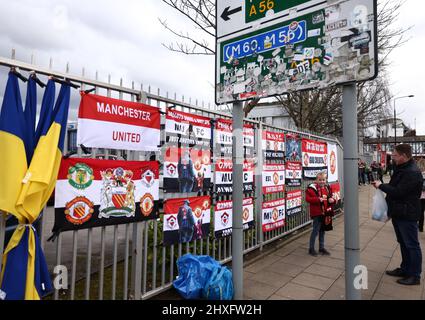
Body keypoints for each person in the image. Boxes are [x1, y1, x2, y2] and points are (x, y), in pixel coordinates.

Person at [372, 144, 423, 285]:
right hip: (399, 212)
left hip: (407, 214)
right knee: (403, 243)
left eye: (395, 155)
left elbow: (398, 192)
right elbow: (395, 191)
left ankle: (415, 275)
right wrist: (388, 211)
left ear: (404, 156)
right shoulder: (403, 168)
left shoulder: (412, 172)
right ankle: (405, 269)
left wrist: (380, 185)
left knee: (411, 245)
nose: (393, 158)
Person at [306, 171, 335, 256]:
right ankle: (311, 249)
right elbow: (308, 199)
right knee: (315, 231)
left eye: (323, 179)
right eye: (320, 180)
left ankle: (321, 248)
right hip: (317, 213)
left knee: (323, 231)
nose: (322, 181)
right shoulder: (311, 188)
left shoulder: (327, 188)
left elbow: (331, 198)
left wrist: (332, 200)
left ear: (326, 180)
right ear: (316, 180)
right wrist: (318, 199)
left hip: (325, 213)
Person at [416, 158, 425, 232]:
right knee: (422, 212)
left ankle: (419, 226)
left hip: (420, 195)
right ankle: (421, 227)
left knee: (420, 211)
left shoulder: (419, 174)